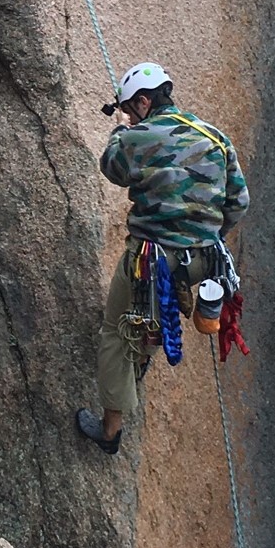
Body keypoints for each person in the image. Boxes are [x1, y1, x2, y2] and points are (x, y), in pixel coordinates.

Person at [76, 61, 250, 455]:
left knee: (115, 332)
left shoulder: (137, 136)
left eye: (129, 108)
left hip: (149, 258)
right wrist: (205, 234)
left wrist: (120, 131)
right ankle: (143, 356)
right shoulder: (215, 137)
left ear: (143, 101)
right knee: (153, 311)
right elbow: (239, 202)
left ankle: (109, 431)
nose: (129, 115)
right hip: (203, 261)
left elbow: (112, 167)